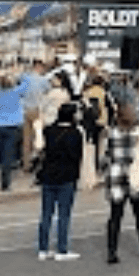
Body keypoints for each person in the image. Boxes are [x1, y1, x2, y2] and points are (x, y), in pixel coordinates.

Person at [101, 103, 139, 264]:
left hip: (116, 176)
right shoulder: (138, 132)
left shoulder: (110, 133)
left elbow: (104, 157)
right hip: (136, 177)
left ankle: (112, 251)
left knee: (115, 216)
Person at [37, 102, 84, 261]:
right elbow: (77, 157)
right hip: (67, 175)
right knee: (64, 214)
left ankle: (43, 248)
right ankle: (61, 249)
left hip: (48, 174)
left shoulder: (49, 130)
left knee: (46, 213)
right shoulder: (76, 133)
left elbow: (41, 149)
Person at [0, 72, 25, 192]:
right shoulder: (17, 92)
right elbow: (26, 82)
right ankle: (5, 183)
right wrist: (19, 75)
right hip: (13, 125)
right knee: (8, 155)